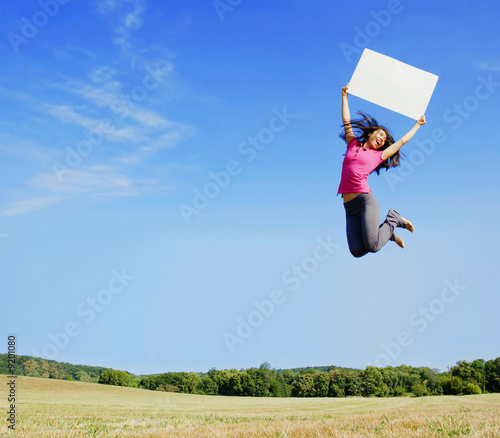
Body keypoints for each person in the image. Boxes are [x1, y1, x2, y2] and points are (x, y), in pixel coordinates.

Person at [338, 83, 426, 258]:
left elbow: (402, 142)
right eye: (380, 134)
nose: (381, 139)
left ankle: (394, 219)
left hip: (365, 201)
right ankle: (389, 234)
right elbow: (346, 121)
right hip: (349, 207)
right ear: (371, 133)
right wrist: (344, 97)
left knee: (373, 246)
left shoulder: (378, 156)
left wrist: (418, 125)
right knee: (356, 251)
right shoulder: (352, 144)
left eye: (384, 140)